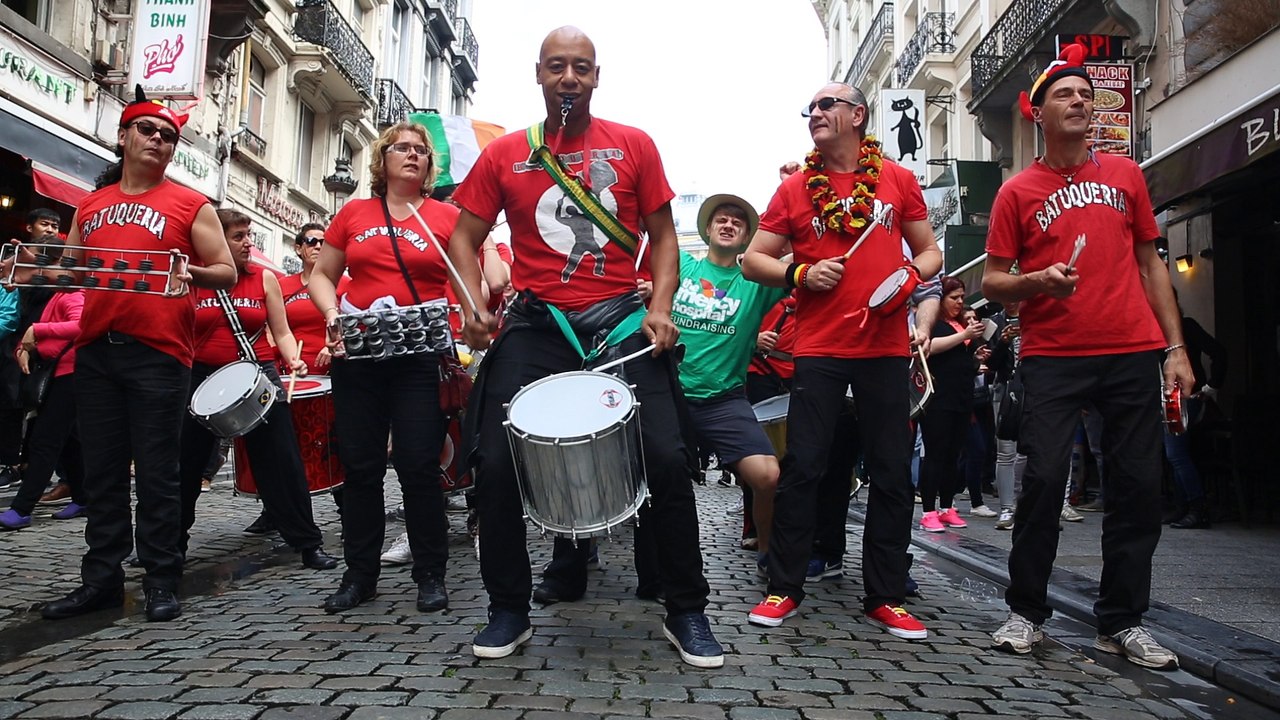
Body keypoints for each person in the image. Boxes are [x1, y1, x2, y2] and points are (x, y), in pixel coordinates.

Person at [446, 26, 724, 668]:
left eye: (580, 68)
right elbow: (464, 238)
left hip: (621, 320)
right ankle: (507, 609)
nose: (568, 77)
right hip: (537, 324)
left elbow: (663, 237)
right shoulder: (507, 153)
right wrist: (472, 307)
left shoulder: (634, 145)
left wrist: (659, 307)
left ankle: (687, 610)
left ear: (596, 78)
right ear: (538, 75)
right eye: (556, 67)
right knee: (491, 462)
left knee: (666, 454)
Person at [983, 44, 1192, 669]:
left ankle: (1122, 622)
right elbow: (993, 280)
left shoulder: (1125, 174)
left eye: (1085, 93)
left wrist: (1175, 349)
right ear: (1038, 113)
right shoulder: (1016, 193)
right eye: (1065, 94)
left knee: (1135, 487)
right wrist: (1036, 281)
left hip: (1131, 350)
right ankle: (1026, 613)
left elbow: (1152, 264)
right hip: (1053, 355)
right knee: (1044, 481)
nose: (1080, 100)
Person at [15, 87, 239, 622]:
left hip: (159, 353)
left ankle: (163, 578)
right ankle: (102, 582)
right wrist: (28, 267)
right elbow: (72, 268)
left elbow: (226, 271)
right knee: (102, 470)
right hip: (95, 350)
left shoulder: (191, 204)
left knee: (159, 470)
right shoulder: (91, 205)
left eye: (168, 136)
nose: (158, 140)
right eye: (148, 130)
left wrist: (194, 273)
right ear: (124, 136)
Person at [741, 81, 942, 639]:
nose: (815, 114)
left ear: (858, 114)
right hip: (820, 349)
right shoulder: (797, 189)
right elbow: (752, 259)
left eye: (826, 105)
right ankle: (783, 588)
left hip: (883, 348)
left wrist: (911, 274)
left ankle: (887, 595)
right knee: (805, 467)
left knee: (892, 471)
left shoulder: (897, 180)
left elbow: (930, 250)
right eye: (810, 108)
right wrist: (798, 273)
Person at [309, 121, 454, 615]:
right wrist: (332, 315)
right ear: (383, 158)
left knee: (418, 464)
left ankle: (430, 573)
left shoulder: (446, 216)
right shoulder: (353, 213)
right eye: (402, 148)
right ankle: (360, 574)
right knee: (361, 467)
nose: (412, 155)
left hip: (416, 357)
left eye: (421, 151)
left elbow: (474, 275)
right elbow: (323, 275)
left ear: (429, 165)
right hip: (360, 355)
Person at [176, 209, 339, 571]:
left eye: (249, 234)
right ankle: (170, 544)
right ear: (215, 239)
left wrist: (290, 360)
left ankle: (307, 543)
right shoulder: (192, 278)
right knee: (186, 464)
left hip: (257, 373)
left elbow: (281, 331)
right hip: (201, 375)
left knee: (282, 461)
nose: (249, 242)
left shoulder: (265, 278)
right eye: (238, 236)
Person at [674, 194, 785, 572]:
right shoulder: (682, 267)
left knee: (767, 475)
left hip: (724, 400)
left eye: (738, 223)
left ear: (747, 240)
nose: (728, 225)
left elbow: (797, 250)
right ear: (707, 229)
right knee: (659, 481)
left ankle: (768, 553)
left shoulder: (755, 282)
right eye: (721, 219)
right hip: (670, 397)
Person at [0, 244, 84, 530]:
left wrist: (39, 332)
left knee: (45, 441)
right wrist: (25, 346)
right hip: (60, 372)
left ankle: (22, 508)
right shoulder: (56, 293)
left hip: (70, 373)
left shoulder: (70, 292)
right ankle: (84, 496)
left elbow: (81, 324)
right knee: (67, 440)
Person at [917, 278, 983, 532]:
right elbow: (929, 348)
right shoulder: (933, 323)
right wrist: (965, 336)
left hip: (962, 397)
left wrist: (975, 355)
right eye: (953, 297)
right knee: (935, 453)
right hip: (938, 399)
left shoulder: (960, 324)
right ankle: (928, 511)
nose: (959, 302)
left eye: (961, 297)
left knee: (953, 454)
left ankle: (946, 506)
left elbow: (959, 357)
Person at [1162, 295, 1227, 529]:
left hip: (1185, 397)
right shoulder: (1158, 329)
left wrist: (1210, 388)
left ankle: (1197, 507)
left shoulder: (1185, 326)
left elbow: (1219, 352)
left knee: (1176, 454)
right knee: (1175, 454)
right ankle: (1183, 507)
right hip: (1167, 398)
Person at [987, 300, 1025, 530]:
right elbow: (990, 362)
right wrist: (1003, 341)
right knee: (1006, 451)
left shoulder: (1036, 317)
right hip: (1006, 390)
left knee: (1030, 450)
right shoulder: (995, 322)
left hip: (1034, 388)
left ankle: (1026, 505)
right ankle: (1007, 508)